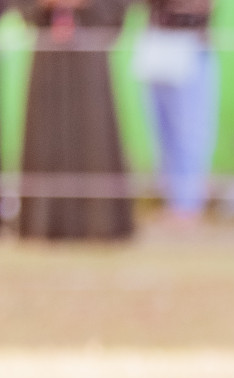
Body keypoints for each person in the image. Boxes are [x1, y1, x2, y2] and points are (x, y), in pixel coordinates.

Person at [18, 0, 135, 241]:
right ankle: (44, 226)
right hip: (47, 48)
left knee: (94, 132)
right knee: (45, 135)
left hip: (89, 47)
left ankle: (100, 225)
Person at [136, 0, 218, 225]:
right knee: (163, 129)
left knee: (190, 129)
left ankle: (188, 205)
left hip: (191, 45)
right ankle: (174, 201)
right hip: (157, 42)